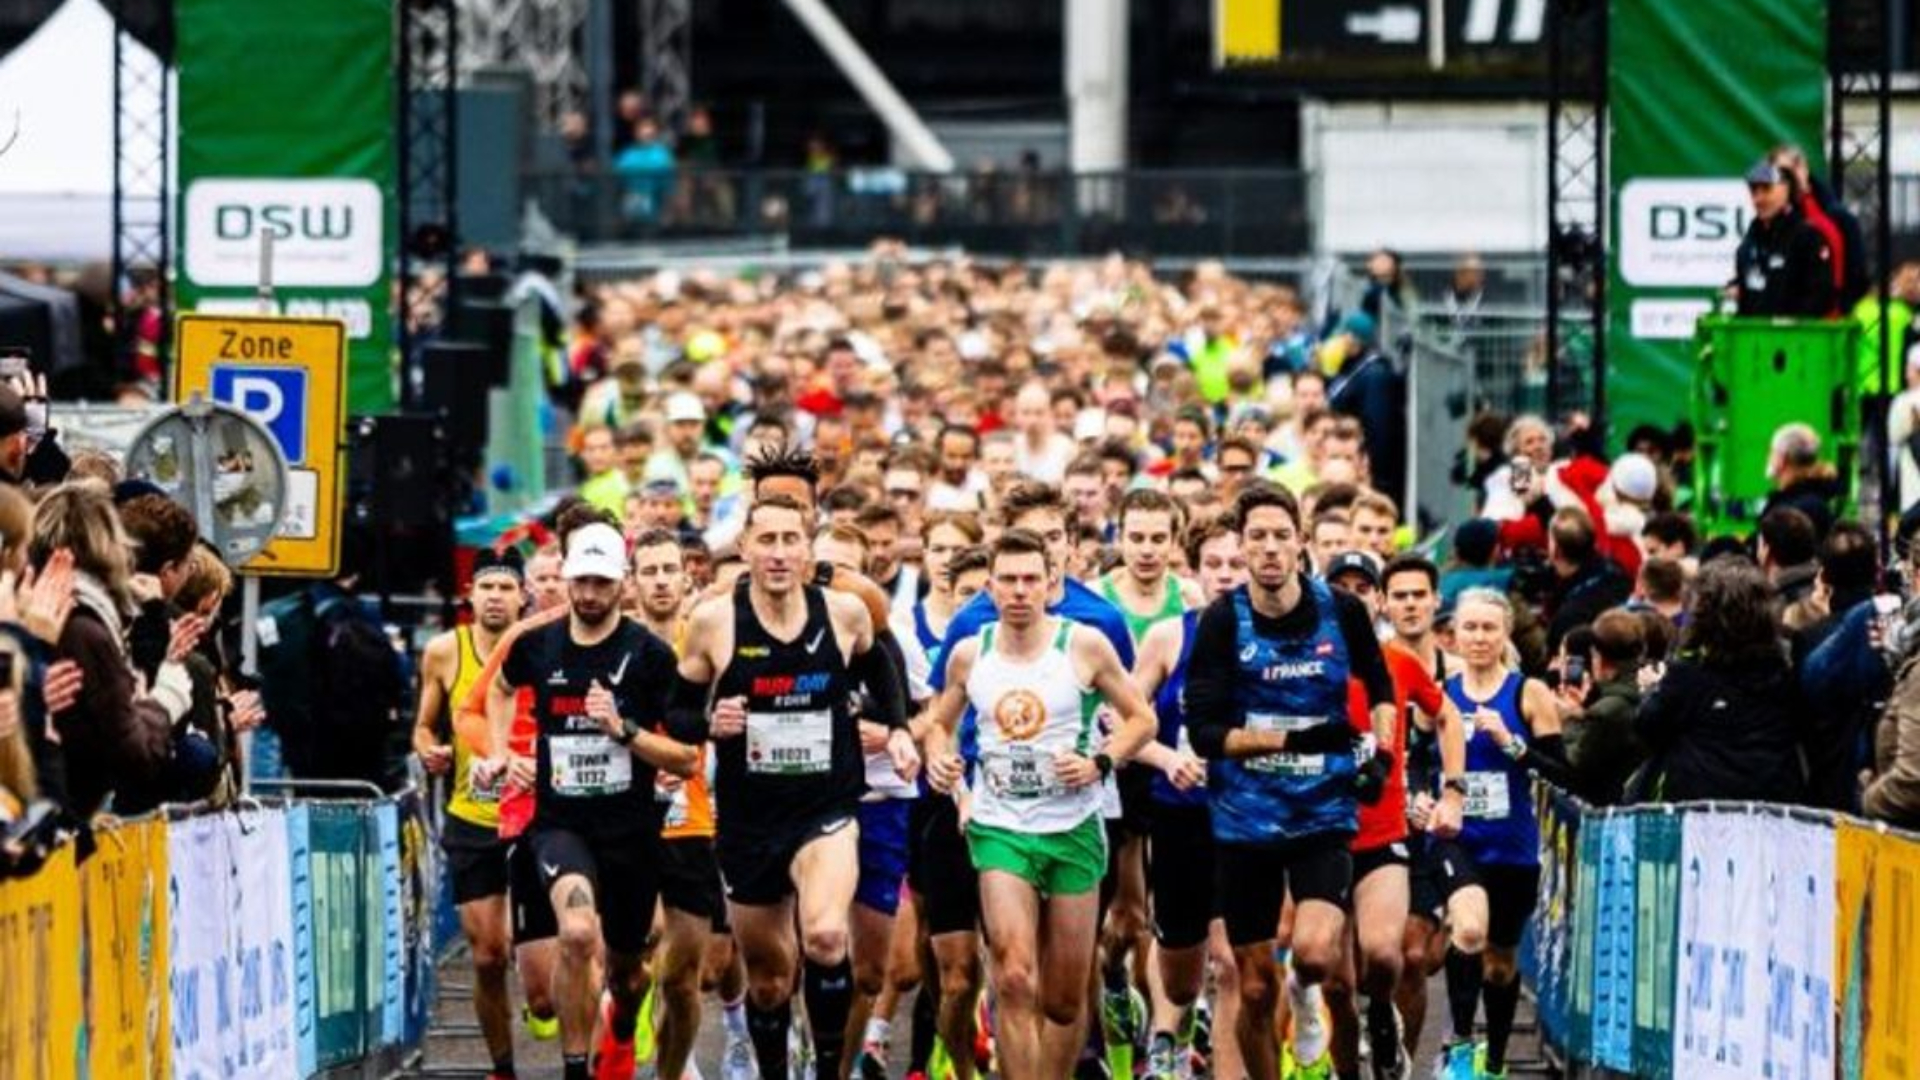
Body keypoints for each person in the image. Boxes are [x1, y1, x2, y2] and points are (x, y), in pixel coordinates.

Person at [671, 495, 918, 1080]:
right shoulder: (714, 621)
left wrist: (902, 729)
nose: (779, 553)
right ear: (746, 548)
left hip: (825, 809)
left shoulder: (844, 613)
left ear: (808, 548)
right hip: (749, 820)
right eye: (767, 540)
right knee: (769, 981)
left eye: (791, 540)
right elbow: (678, 713)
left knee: (829, 936)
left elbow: (882, 668)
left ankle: (830, 1069)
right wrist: (710, 724)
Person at [921, 528, 1160, 1080]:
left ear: (1052, 583)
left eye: (1032, 579)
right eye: (1008, 580)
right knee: (1012, 978)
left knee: (1062, 1000)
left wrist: (1101, 761)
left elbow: (1141, 720)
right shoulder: (968, 653)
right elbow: (939, 724)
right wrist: (941, 759)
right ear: (991, 589)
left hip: (1074, 826)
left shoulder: (1084, 645)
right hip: (1000, 826)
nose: (1020, 590)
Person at [1184, 482, 1397, 1080]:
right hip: (1244, 820)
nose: (1270, 549)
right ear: (1242, 546)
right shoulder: (1223, 621)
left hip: (1321, 812)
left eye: (1282, 536)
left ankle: (1306, 994)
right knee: (1252, 988)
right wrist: (1293, 740)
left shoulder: (1341, 611)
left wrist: (1378, 754)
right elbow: (1204, 733)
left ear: (1301, 543)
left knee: (1316, 952)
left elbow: (1381, 689)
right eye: (1258, 538)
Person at [479, 523, 697, 1080]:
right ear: (569, 580)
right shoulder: (538, 643)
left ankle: (624, 1020)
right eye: (582, 581)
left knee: (628, 974)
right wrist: (503, 751)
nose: (591, 594)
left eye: (602, 582)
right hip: (560, 825)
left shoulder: (649, 655)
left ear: (622, 584)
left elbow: (685, 758)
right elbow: (499, 688)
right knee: (576, 932)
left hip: (631, 833)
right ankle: (576, 1069)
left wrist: (622, 729)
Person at [1129, 517, 1249, 1080]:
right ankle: (1168, 1030)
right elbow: (1122, 722)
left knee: (1231, 961)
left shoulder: (1279, 641)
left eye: (1238, 564)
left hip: (1249, 818)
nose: (1227, 576)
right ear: (1193, 572)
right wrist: (1167, 759)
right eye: (1215, 565)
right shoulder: (1169, 637)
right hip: (1178, 817)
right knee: (1182, 969)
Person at [1436, 588, 1562, 1080]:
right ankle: (1462, 1050)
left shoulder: (1528, 693)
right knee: (1467, 930)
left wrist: (1512, 745)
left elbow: (1562, 773)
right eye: (1470, 628)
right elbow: (1421, 758)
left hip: (1512, 845)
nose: (1479, 637)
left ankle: (1494, 1061)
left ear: (1505, 633)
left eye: (1489, 628)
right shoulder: (1442, 692)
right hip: (1458, 837)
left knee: (1500, 963)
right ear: (1455, 634)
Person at [411, 548, 527, 1080]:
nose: (496, 597)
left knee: (542, 964)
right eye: (487, 588)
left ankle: (550, 1001)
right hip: (472, 818)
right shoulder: (443, 651)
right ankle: (502, 1067)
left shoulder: (538, 649)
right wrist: (428, 749)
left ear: (523, 596)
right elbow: (423, 725)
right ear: (470, 596)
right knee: (487, 955)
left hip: (534, 818)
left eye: (506, 587)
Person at [1377, 556, 1480, 1067]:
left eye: (1420, 594)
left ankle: (1406, 1057)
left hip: (1449, 828)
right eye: (1400, 595)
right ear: (1384, 603)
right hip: (1386, 825)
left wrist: (1451, 796)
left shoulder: (1461, 673)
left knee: (1424, 956)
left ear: (1436, 601)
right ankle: (1388, 1053)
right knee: (1393, 958)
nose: (1410, 604)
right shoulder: (1376, 668)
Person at [1631, 558, 1809, 804]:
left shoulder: (1687, 675)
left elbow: (1647, 726)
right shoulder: (1785, 669)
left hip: (1700, 808)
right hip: (1771, 802)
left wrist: (1651, 689)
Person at [1551, 608, 1647, 806]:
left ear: (1598, 656)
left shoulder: (1606, 711)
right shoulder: (1650, 687)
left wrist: (1568, 719)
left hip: (1609, 809)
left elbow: (1570, 765)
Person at [1731, 159, 1835, 318]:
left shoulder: (1808, 238)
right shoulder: (1749, 242)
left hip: (1796, 339)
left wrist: (1791, 324)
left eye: (1766, 189)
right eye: (1753, 191)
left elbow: (1821, 296)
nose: (1758, 199)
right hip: (1753, 338)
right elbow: (1747, 297)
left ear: (1786, 190)